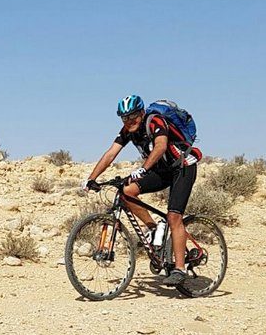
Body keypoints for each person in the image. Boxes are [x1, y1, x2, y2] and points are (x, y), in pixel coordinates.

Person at [85, 94, 200, 285]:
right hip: (163, 170)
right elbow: (111, 153)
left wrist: (143, 169)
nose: (129, 121)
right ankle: (154, 229)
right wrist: (92, 178)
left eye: (133, 116)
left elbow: (161, 147)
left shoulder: (155, 121)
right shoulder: (127, 130)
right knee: (127, 192)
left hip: (183, 167)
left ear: (142, 112)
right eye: (125, 117)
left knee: (174, 216)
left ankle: (180, 269)